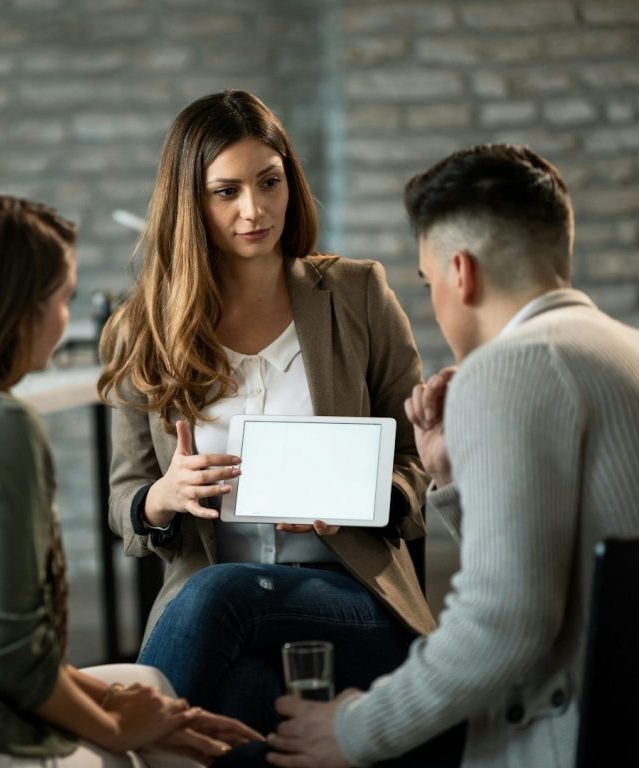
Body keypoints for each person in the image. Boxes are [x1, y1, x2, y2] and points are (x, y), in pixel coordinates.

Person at [267, 144, 639, 768]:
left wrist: (352, 731)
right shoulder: (620, 350)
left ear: (460, 273)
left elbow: (505, 621)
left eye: (427, 280)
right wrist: (449, 475)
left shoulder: (509, 367)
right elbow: (550, 562)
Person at [0, 194, 261, 768]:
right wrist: (118, 728)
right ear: (21, 310)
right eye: (63, 299)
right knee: (149, 747)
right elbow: (8, 652)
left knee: (151, 683)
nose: (64, 318)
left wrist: (142, 709)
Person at [97, 89, 433, 735]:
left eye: (269, 182)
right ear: (189, 202)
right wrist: (163, 497)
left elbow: (417, 455)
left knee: (219, 596)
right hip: (215, 601)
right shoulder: (142, 328)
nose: (254, 209)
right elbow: (124, 498)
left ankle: (122, 746)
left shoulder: (357, 293)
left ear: (290, 182)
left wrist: (364, 497)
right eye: (226, 192)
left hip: (349, 595)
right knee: (244, 691)